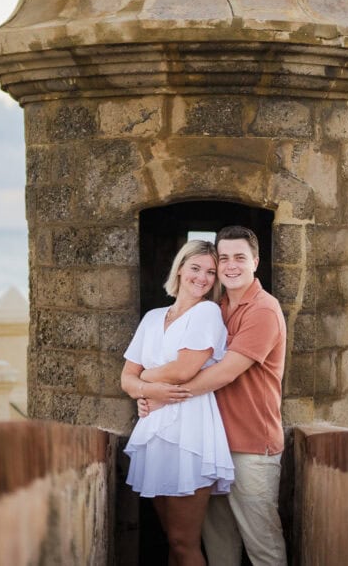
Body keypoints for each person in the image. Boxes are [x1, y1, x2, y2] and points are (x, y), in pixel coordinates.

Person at [139, 226, 288, 566]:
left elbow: (224, 373)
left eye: (240, 258)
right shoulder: (215, 308)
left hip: (251, 445)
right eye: (224, 258)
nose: (230, 266)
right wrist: (147, 390)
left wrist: (157, 392)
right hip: (210, 444)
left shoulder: (263, 310)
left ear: (256, 262)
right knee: (219, 547)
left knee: (262, 544)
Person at [120, 239, 235, 566]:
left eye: (211, 272)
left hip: (190, 433)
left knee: (185, 542)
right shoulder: (153, 317)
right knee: (172, 539)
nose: (202, 277)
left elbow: (184, 370)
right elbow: (125, 377)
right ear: (180, 268)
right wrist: (145, 390)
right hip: (155, 432)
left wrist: (143, 385)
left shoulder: (207, 312)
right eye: (195, 268)